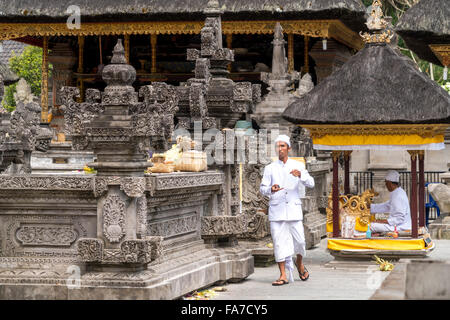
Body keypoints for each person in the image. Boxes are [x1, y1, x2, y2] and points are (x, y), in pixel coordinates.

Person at [260, 134, 315, 285]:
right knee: (278, 243)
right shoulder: (270, 168)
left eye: (283, 146)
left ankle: (299, 263)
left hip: (293, 210)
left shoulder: (298, 166)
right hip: (277, 211)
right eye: (278, 146)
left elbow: (311, 183)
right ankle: (283, 274)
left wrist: (301, 176)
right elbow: (262, 188)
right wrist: (271, 188)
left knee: (300, 242)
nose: (280, 149)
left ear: (288, 148)